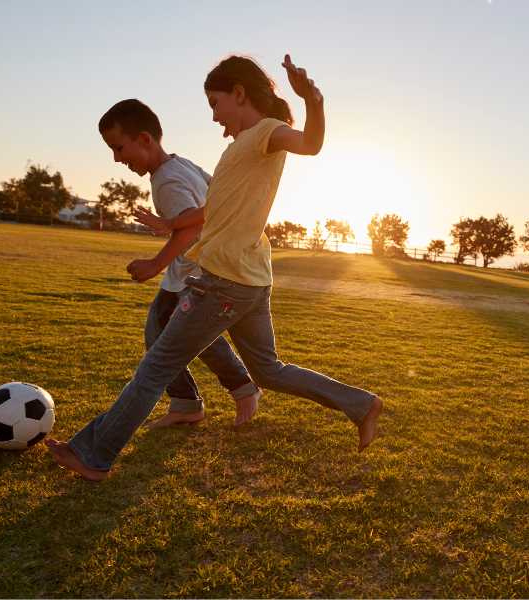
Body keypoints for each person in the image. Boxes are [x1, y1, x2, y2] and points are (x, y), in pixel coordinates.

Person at [47, 55, 382, 480]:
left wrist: (313, 101)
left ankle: (94, 454)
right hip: (250, 278)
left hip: (224, 282)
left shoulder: (265, 133)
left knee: (156, 367)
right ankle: (361, 404)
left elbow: (311, 144)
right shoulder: (242, 147)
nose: (214, 116)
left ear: (239, 94)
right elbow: (212, 210)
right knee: (268, 370)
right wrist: (171, 224)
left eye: (215, 103)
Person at [97, 99, 261, 429]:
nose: (116, 158)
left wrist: (155, 263)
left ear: (144, 139)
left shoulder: (166, 181)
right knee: (162, 334)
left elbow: (190, 230)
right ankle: (189, 402)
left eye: (119, 147)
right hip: (193, 272)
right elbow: (219, 194)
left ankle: (239, 389)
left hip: (192, 274)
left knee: (182, 336)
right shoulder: (181, 164)